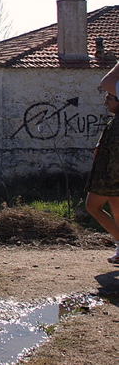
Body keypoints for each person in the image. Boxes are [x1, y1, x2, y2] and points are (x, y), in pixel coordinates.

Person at [87, 62, 119, 264]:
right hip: (110, 175)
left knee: (92, 206)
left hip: (111, 176)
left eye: (109, 98)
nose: (106, 101)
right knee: (116, 208)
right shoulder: (115, 120)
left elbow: (106, 81)